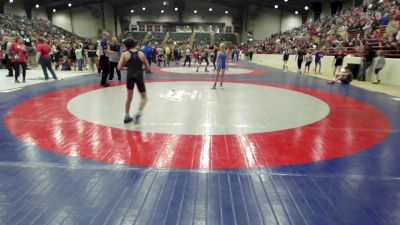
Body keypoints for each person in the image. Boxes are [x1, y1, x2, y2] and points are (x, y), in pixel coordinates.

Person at [117, 38, 151, 124]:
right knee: (144, 98)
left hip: (130, 76)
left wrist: (128, 68)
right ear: (134, 45)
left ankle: (126, 116)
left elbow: (119, 67)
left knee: (129, 98)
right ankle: (138, 113)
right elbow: (148, 68)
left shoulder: (125, 54)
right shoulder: (141, 54)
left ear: (126, 46)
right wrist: (140, 69)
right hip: (139, 76)